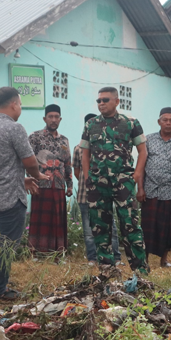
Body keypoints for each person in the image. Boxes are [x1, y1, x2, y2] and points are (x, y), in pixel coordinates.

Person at [0, 87, 49, 299]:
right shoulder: (14, 129)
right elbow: (29, 160)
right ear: (14, 104)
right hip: (9, 197)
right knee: (6, 244)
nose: (20, 109)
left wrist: (21, 177)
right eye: (20, 105)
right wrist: (36, 175)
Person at [80, 87, 149, 276]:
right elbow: (84, 153)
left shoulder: (131, 123)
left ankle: (140, 269)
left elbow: (143, 151)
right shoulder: (90, 125)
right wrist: (87, 177)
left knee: (130, 224)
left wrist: (136, 175)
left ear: (117, 101)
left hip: (123, 181)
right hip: (97, 182)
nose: (101, 103)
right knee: (100, 225)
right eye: (99, 101)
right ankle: (106, 268)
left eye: (105, 100)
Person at [140, 107, 171, 268]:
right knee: (147, 227)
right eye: (165, 120)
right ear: (159, 122)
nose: (168, 123)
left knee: (166, 227)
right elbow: (140, 166)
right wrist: (140, 188)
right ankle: (145, 260)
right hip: (150, 190)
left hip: (169, 191)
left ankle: (164, 260)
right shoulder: (148, 140)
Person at [72, 114, 121, 266]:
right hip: (84, 195)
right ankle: (92, 258)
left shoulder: (108, 147)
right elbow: (77, 171)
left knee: (110, 227)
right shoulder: (78, 148)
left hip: (105, 194)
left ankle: (116, 258)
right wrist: (89, 182)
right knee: (88, 230)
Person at [27, 104, 73, 255]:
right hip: (40, 185)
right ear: (44, 118)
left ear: (60, 119)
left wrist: (70, 185)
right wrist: (29, 180)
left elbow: (67, 164)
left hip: (59, 186)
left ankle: (59, 253)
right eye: (50, 117)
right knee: (40, 220)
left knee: (58, 221)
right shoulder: (35, 137)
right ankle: (36, 253)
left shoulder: (64, 141)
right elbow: (27, 160)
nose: (53, 120)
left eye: (56, 117)